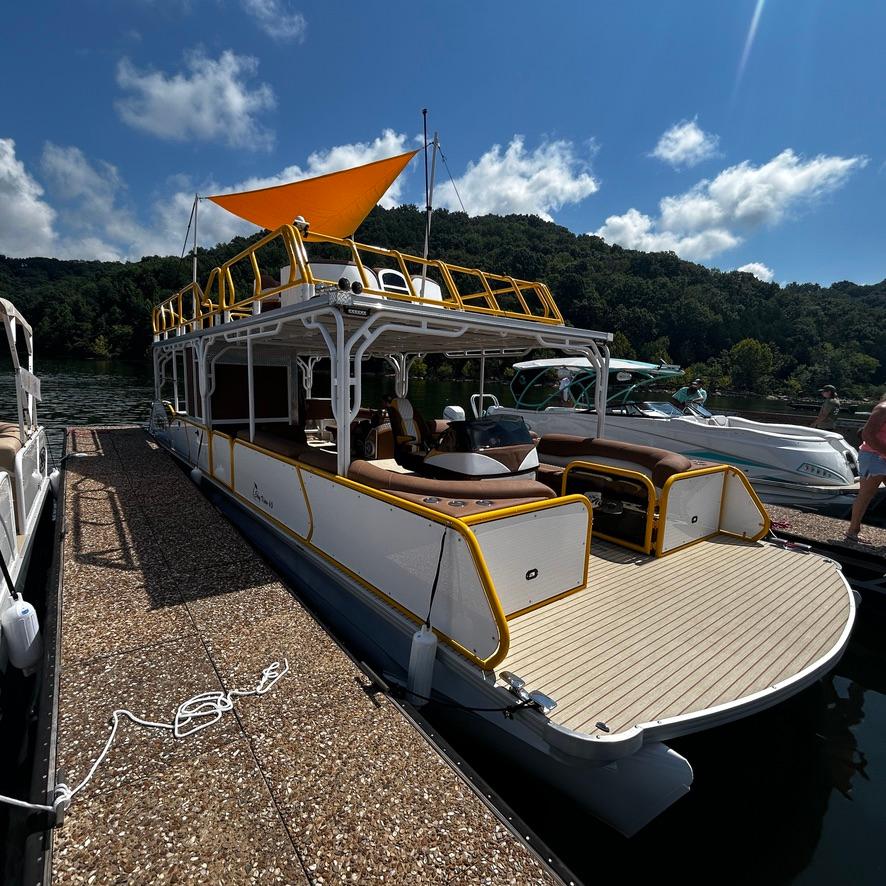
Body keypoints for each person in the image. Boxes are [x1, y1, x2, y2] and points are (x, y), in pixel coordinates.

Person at [846, 397, 886, 544]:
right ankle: (853, 531)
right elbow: (867, 434)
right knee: (867, 494)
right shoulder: (883, 409)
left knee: (867, 494)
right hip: (874, 455)